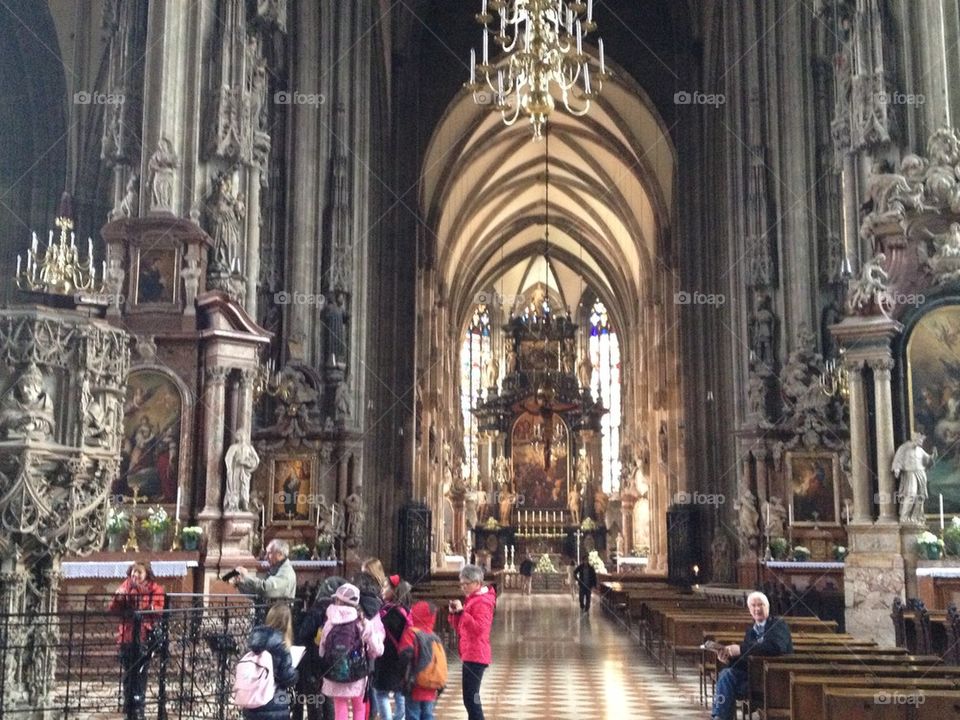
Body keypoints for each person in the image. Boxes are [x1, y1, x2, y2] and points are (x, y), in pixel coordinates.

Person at [710, 591, 793, 720]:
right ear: (749, 609)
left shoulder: (778, 624)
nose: (757, 609)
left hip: (776, 680)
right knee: (726, 675)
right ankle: (719, 717)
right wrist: (729, 660)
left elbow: (776, 648)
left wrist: (741, 649)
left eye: (760, 605)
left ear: (768, 607)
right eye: (753, 606)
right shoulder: (751, 630)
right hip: (755, 679)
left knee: (726, 683)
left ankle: (720, 716)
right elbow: (746, 659)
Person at [318, 583, 385, 720]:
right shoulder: (362, 622)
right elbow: (377, 649)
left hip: (335, 671)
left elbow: (322, 648)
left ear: (337, 600)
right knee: (359, 707)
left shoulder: (330, 622)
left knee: (339, 706)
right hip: (357, 672)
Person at [108, 561, 165, 720]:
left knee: (140, 673)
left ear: (146, 573)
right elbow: (113, 609)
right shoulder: (125, 585)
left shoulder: (155, 588)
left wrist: (142, 601)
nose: (135, 575)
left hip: (144, 636)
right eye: (133, 572)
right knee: (128, 673)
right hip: (126, 635)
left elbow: (159, 610)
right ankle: (129, 709)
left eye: (139, 572)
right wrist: (119, 598)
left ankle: (139, 709)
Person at [294, 576, 347, 720]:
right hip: (332, 658)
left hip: (314, 657)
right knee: (327, 696)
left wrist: (301, 617)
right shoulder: (343, 610)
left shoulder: (320, 607)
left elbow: (304, 632)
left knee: (314, 698)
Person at [448, 565, 497, 720]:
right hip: (470, 652)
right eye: (461, 584)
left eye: (466, 584)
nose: (463, 587)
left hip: (477, 653)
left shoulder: (482, 602)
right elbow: (461, 627)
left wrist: (463, 612)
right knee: (469, 698)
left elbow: (480, 629)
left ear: (477, 582)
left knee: (471, 698)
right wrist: (455, 614)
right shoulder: (473, 600)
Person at [242, 603, 299, 720]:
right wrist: (295, 674)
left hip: (252, 700)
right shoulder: (281, 645)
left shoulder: (255, 640)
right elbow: (286, 677)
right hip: (274, 702)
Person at [372, 576, 412, 720]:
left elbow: (382, 628)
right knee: (399, 693)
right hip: (400, 658)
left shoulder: (392, 613)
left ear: (395, 591)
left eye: (386, 587)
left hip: (387, 658)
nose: (382, 590)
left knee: (381, 693)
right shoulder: (406, 610)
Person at [398, 601, 441, 720]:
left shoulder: (411, 634)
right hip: (430, 685)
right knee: (428, 714)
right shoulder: (434, 637)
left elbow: (404, 656)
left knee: (413, 715)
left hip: (414, 685)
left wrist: (402, 677)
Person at [233, 539, 297, 603]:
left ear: (280, 554)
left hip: (279, 612)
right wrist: (241, 583)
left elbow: (266, 589)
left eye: (269, 553)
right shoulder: (275, 569)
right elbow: (257, 593)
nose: (266, 557)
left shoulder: (286, 573)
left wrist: (245, 577)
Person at [893, 432, 937, 524]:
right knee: (911, 495)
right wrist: (897, 468)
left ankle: (915, 517)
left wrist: (933, 456)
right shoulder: (904, 447)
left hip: (921, 473)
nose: (922, 442)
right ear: (915, 439)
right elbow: (898, 458)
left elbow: (928, 460)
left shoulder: (920, 450)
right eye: (920, 440)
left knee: (921, 496)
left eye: (922, 440)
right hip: (910, 473)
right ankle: (904, 517)